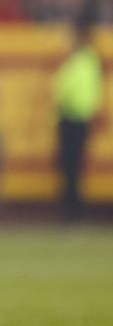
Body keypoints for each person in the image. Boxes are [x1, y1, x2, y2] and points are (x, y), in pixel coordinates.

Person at [54, 17, 103, 222]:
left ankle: (75, 212)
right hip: (69, 117)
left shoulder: (85, 60)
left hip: (76, 118)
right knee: (68, 167)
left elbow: (80, 91)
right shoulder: (79, 59)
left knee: (72, 166)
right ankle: (72, 210)